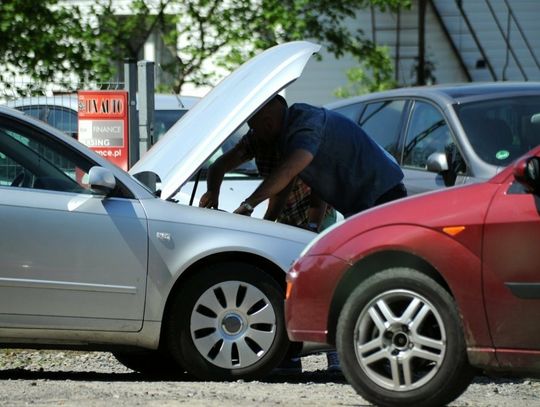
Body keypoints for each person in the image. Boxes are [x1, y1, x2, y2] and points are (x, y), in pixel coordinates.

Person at [226, 94, 407, 219]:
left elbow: (287, 171)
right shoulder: (289, 133)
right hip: (363, 204)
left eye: (255, 130)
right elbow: (285, 186)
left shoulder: (306, 125)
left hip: (382, 197)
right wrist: (267, 222)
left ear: (268, 124)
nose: (255, 136)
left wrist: (249, 204)